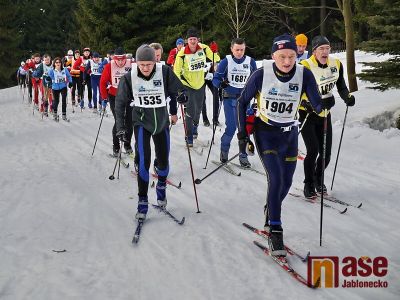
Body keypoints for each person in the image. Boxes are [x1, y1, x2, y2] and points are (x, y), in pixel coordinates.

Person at [237, 34, 327, 256]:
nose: (287, 62)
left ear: (297, 54)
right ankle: (275, 229)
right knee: (275, 179)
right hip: (266, 132)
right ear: (273, 56)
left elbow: (316, 103)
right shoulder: (261, 74)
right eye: (281, 57)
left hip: (290, 134)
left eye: (291, 56)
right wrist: (242, 134)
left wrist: (323, 103)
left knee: (286, 182)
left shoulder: (303, 74)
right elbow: (241, 102)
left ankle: (271, 208)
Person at [115, 45, 187, 220]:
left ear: (155, 61)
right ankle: (142, 200)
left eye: (149, 64)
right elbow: (120, 103)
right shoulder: (129, 77)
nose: (145, 68)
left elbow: (180, 88)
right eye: (142, 64)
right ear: (137, 63)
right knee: (143, 161)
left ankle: (161, 186)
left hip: (161, 124)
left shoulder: (164, 72)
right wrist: (121, 127)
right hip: (141, 123)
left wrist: (182, 96)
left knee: (163, 162)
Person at [298, 35, 355, 198]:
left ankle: (318, 178)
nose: (325, 52)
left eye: (327, 48)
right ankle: (308, 184)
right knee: (313, 150)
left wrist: (347, 97)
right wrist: (308, 104)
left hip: (324, 114)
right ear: (314, 51)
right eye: (321, 48)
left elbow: (341, 86)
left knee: (326, 154)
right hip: (307, 114)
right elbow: (296, 91)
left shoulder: (336, 64)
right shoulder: (305, 66)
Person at [212, 38, 257, 167]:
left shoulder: (250, 62)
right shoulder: (226, 62)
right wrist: (221, 83)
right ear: (232, 49)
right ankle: (224, 151)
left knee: (244, 129)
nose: (239, 52)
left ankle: (243, 156)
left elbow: (257, 81)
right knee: (231, 128)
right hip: (230, 99)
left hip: (244, 100)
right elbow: (215, 80)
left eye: (242, 49)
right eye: (237, 49)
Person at [174, 28, 220, 146]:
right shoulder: (182, 53)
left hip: (200, 84)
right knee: (189, 111)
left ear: (197, 40)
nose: (193, 41)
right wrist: (180, 89)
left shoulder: (204, 48)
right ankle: (189, 136)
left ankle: (195, 126)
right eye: (190, 39)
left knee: (198, 110)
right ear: (187, 41)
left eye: (194, 39)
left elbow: (217, 59)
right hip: (187, 85)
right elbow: (176, 71)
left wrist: (215, 52)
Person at [100, 47, 133, 155]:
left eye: (122, 59)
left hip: (129, 96)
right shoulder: (109, 66)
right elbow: (103, 82)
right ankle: (116, 146)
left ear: (125, 58)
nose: (120, 62)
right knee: (118, 121)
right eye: (117, 59)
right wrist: (104, 97)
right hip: (114, 96)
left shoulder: (131, 64)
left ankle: (127, 144)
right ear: (114, 59)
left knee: (129, 121)